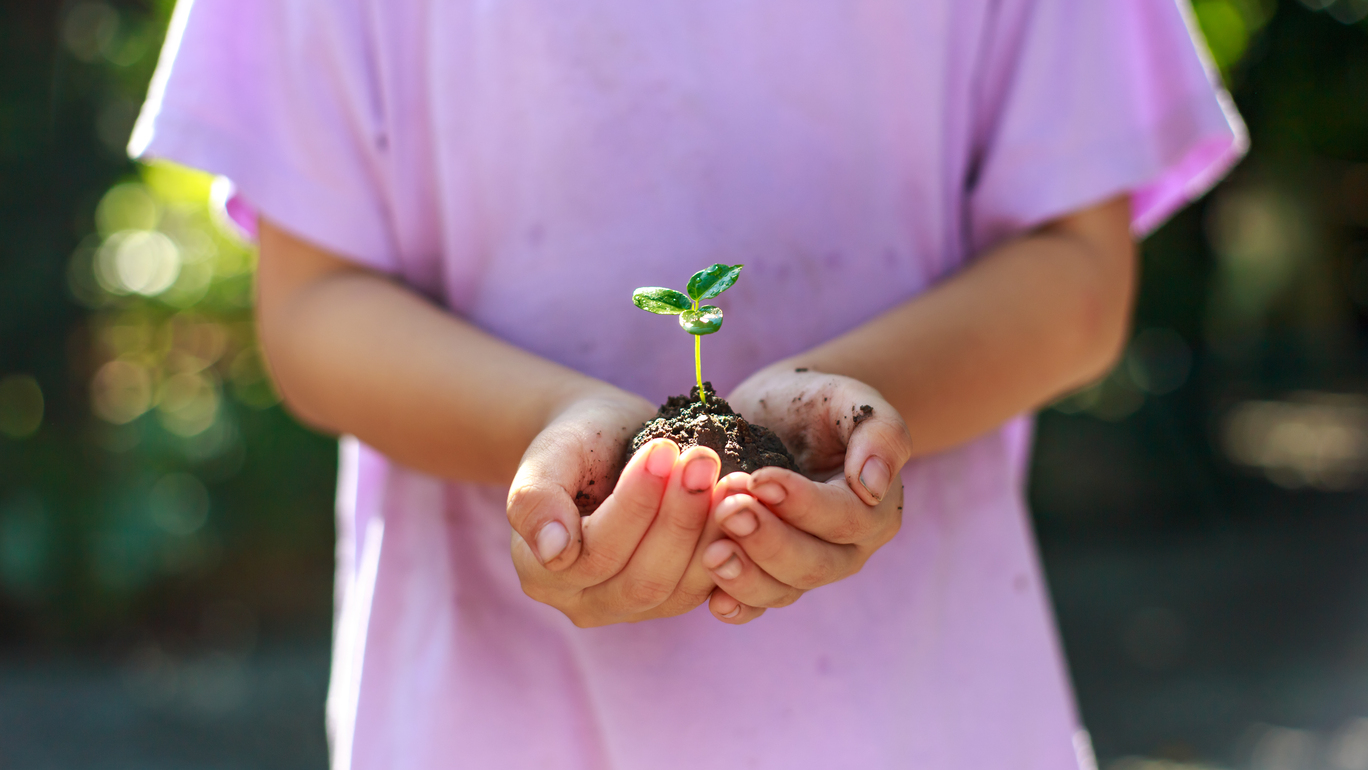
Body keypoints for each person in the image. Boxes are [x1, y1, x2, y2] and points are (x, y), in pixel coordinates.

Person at [131, 0, 1245, 767]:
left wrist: (845, 418)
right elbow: (314, 303)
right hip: (489, 714)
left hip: (916, 705)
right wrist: (546, 430)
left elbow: (1079, 271)